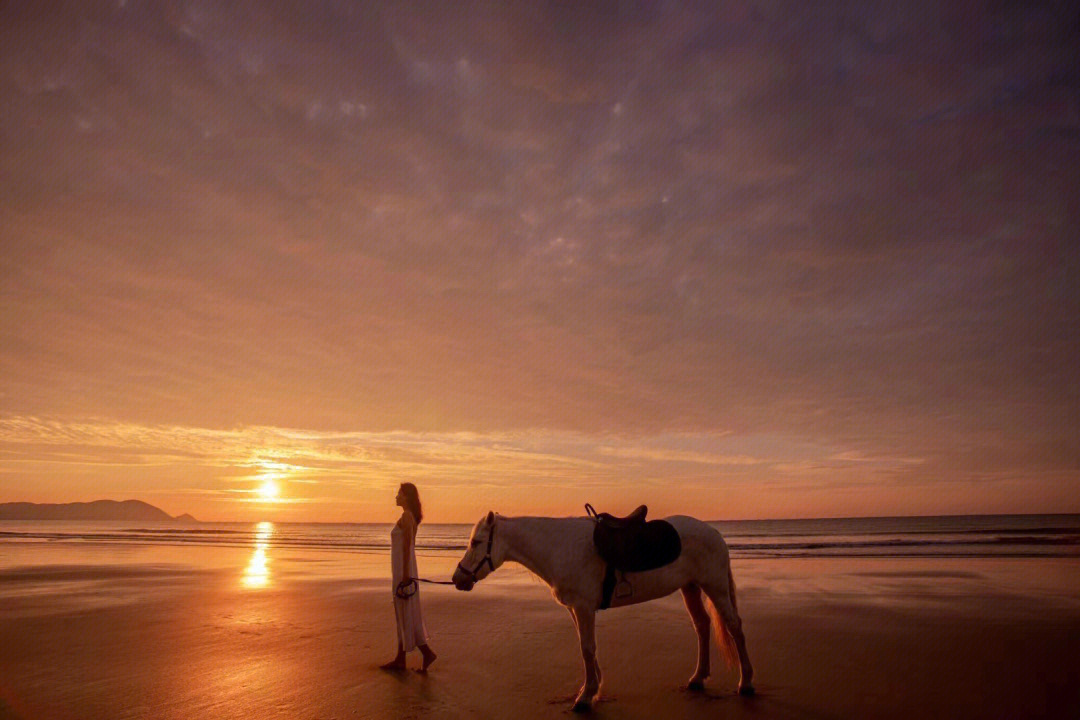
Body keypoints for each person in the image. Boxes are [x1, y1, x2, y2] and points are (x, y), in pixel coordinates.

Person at [381, 482, 437, 672]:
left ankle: (421, 654)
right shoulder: (409, 516)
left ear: (406, 497)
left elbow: (407, 547)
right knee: (405, 612)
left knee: (405, 612)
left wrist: (405, 575)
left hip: (403, 570)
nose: (396, 496)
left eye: (399, 493)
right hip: (403, 569)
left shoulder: (406, 516)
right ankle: (401, 658)